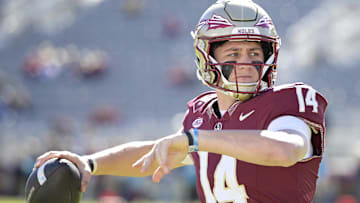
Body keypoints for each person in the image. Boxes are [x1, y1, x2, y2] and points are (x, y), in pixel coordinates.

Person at [34, 0, 327, 202]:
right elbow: (153, 154)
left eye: (254, 53)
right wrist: (90, 163)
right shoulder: (202, 115)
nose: (247, 63)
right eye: (234, 54)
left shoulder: (286, 104)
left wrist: (195, 140)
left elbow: (285, 150)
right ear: (207, 57)